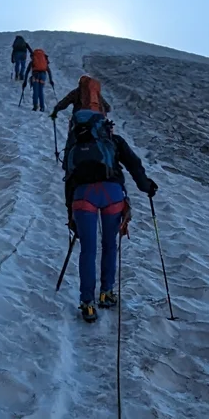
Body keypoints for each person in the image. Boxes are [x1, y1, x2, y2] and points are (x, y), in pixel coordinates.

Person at [61, 103, 156, 321]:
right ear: (104, 125)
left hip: (82, 196)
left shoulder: (74, 146)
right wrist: (147, 187)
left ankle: (87, 303)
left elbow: (69, 178)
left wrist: (71, 213)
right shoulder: (112, 141)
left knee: (88, 249)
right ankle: (106, 293)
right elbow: (134, 165)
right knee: (109, 245)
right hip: (112, 193)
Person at [26, 46, 53, 110]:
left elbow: (27, 71)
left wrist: (24, 81)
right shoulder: (43, 62)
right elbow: (49, 71)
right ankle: (42, 107)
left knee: (35, 91)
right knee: (41, 91)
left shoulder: (33, 61)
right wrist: (51, 80)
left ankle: (35, 106)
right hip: (43, 75)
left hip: (35, 75)